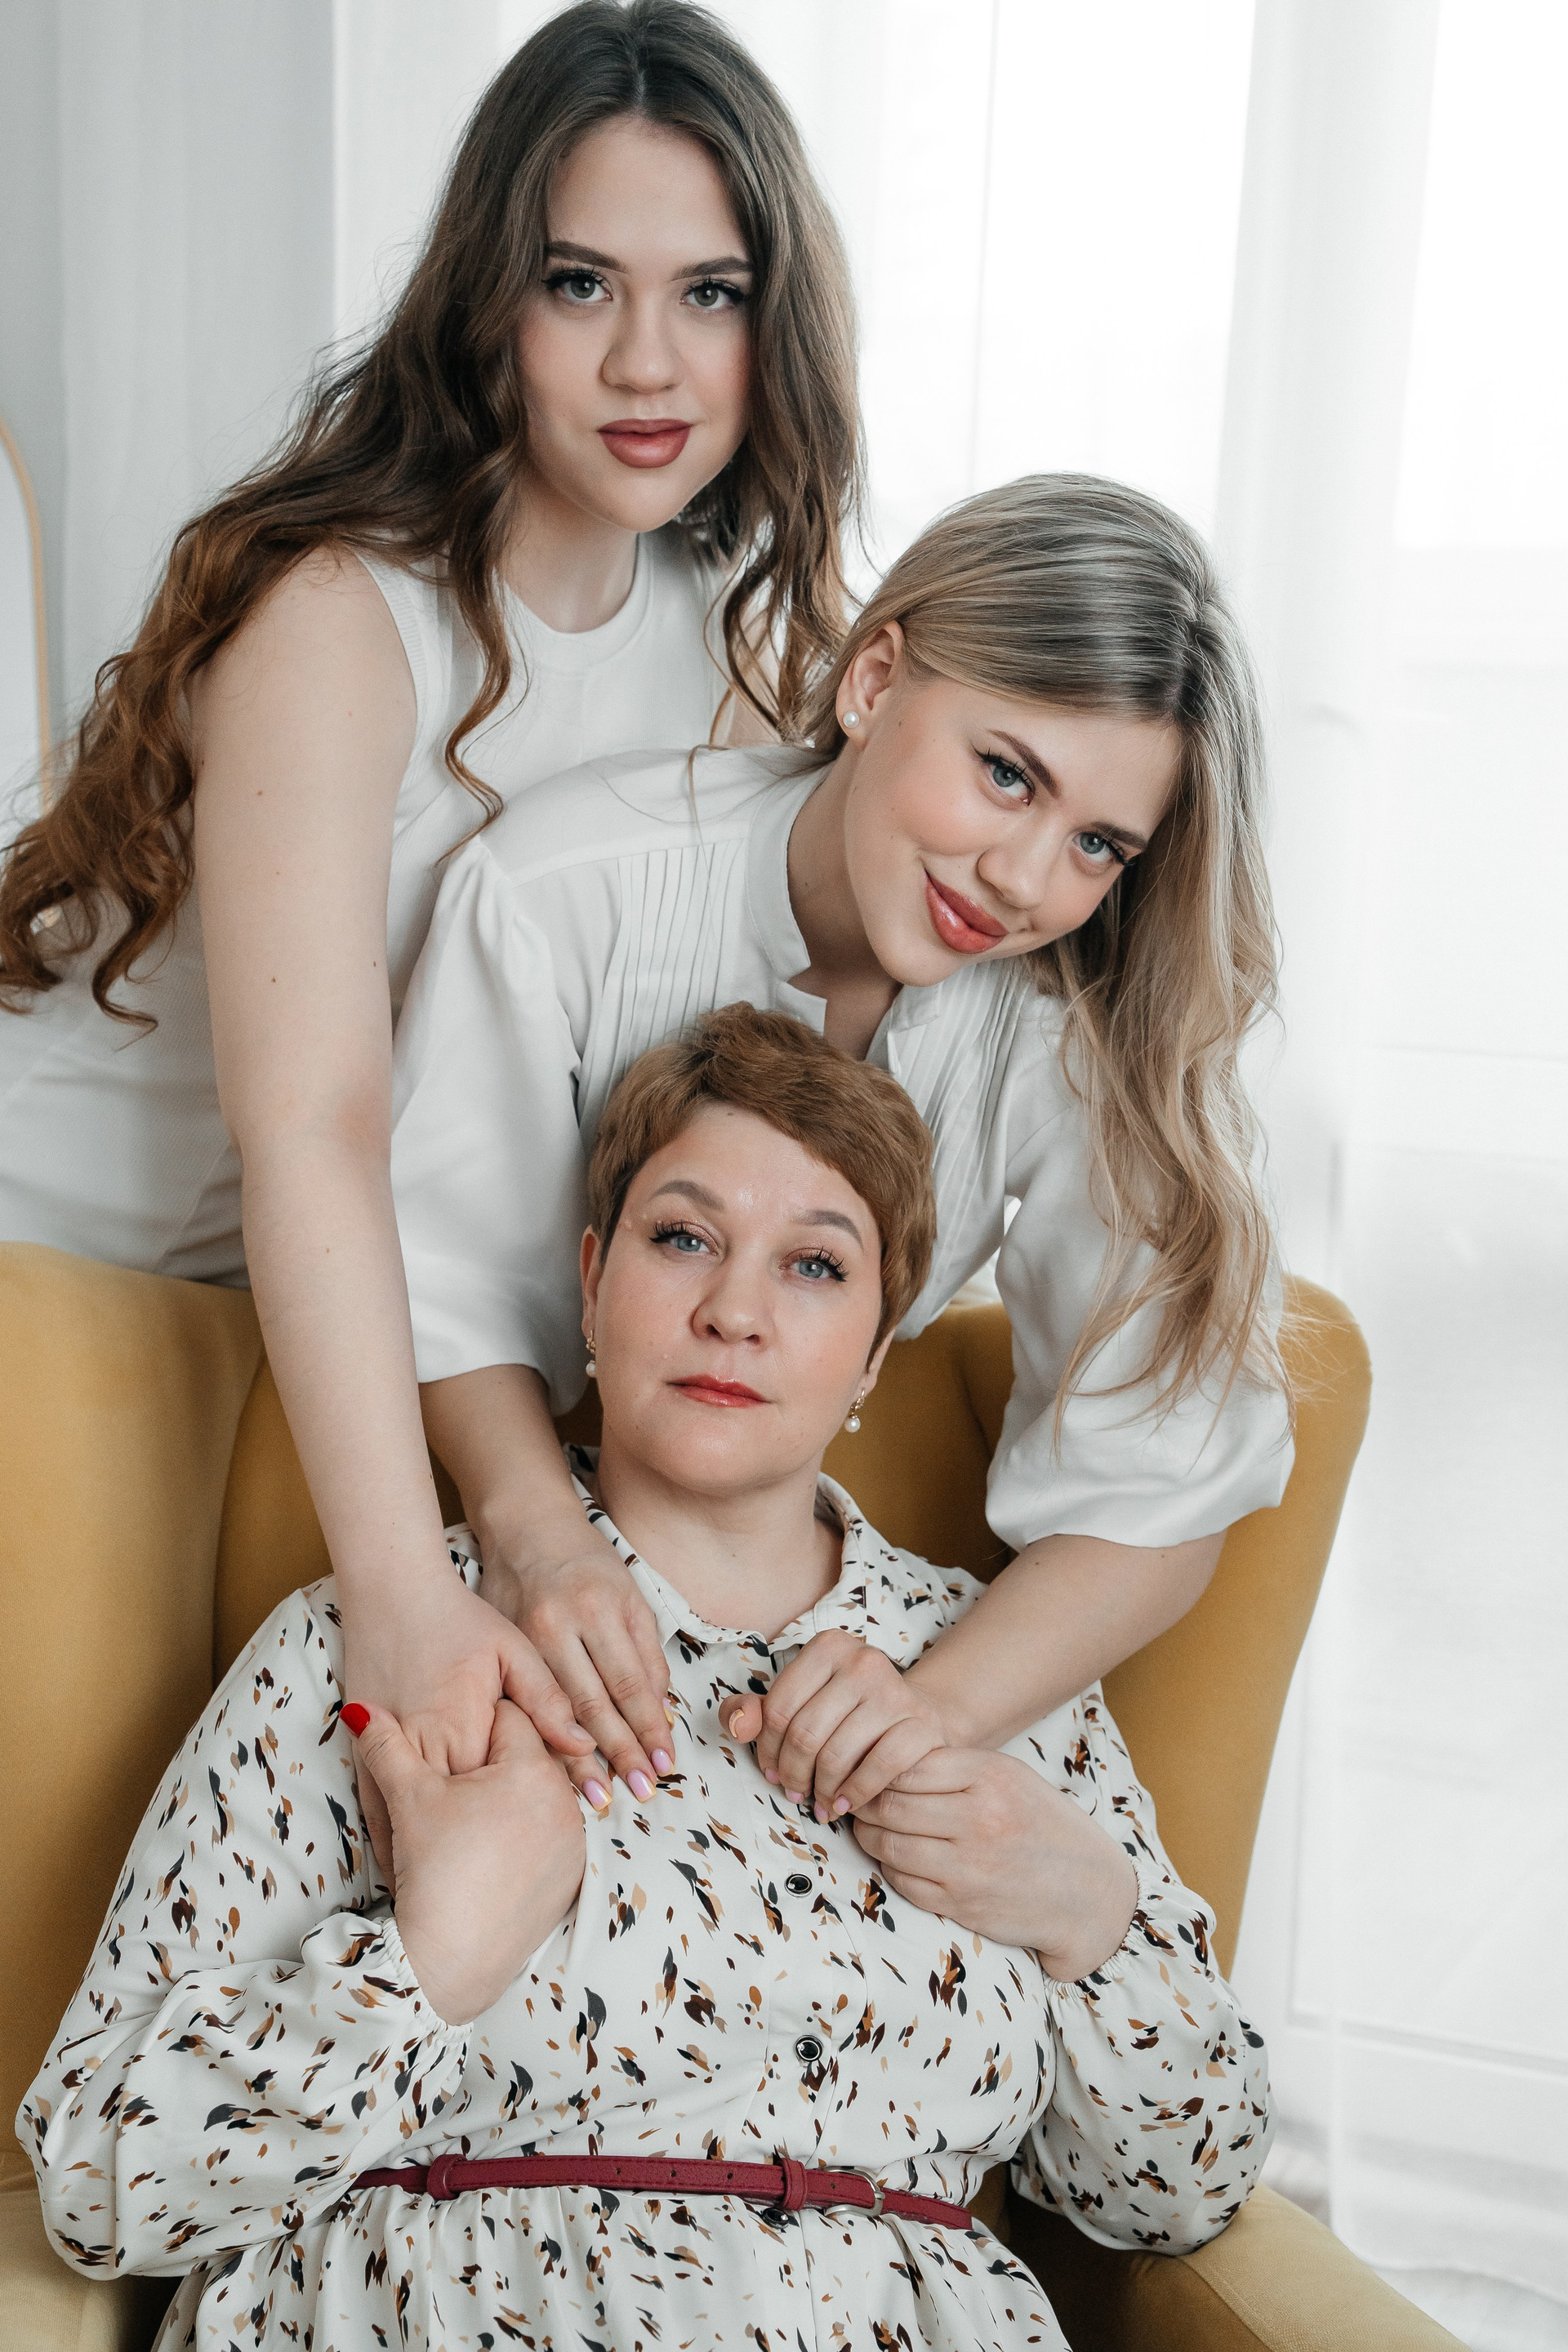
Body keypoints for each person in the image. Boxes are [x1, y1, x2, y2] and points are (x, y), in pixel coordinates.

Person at [22, 1007, 1271, 2352]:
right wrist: (428, 1965)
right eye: (683, 1238)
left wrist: (1087, 1911)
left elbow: (1177, 2194)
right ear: (589, 1283)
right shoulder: (388, 1637)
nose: (734, 1312)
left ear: (877, 1348)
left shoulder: (1013, 1678)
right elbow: (96, 2184)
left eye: (815, 1265)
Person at [0, 0, 858, 1774]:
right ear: (489, 304)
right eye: (579, 283)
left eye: (710, 293)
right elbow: (316, 1126)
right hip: (57, 1255)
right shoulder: (342, 619)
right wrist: (406, 1584)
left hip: (294, 1313)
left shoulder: (736, 659)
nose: (649, 362)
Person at [388, 473, 1294, 1815]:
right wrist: (541, 1546)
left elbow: (1165, 1472)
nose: (1023, 881)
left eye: (1099, 844)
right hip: (498, 1532)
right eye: (1005, 774)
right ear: (874, 680)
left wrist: (925, 1715)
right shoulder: (561, 889)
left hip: (819, 1594)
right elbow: (441, 1284)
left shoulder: (1079, 1027)